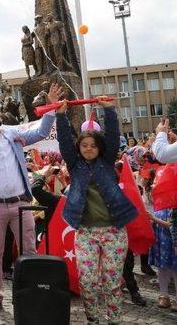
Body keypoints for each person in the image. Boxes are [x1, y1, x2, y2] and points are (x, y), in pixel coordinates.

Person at [0, 83, 61, 315]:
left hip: (20, 203)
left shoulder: (13, 134)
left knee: (29, 250)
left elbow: (39, 132)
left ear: (0, 114)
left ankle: (30, 292)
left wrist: (49, 108)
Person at [57, 97, 138, 323]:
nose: (89, 149)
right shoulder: (74, 165)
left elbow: (112, 136)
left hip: (114, 231)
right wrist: (61, 115)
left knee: (112, 282)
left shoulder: (107, 160)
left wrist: (109, 110)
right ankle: (93, 318)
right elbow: (64, 142)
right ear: (79, 148)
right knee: (88, 281)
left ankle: (113, 320)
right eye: (85, 145)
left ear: (99, 148)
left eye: (93, 145)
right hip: (86, 232)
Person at [148, 206, 177, 310]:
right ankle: (164, 295)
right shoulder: (159, 205)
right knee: (161, 268)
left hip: (173, 242)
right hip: (160, 241)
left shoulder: (173, 206)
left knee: (175, 269)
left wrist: (154, 219)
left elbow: (171, 225)